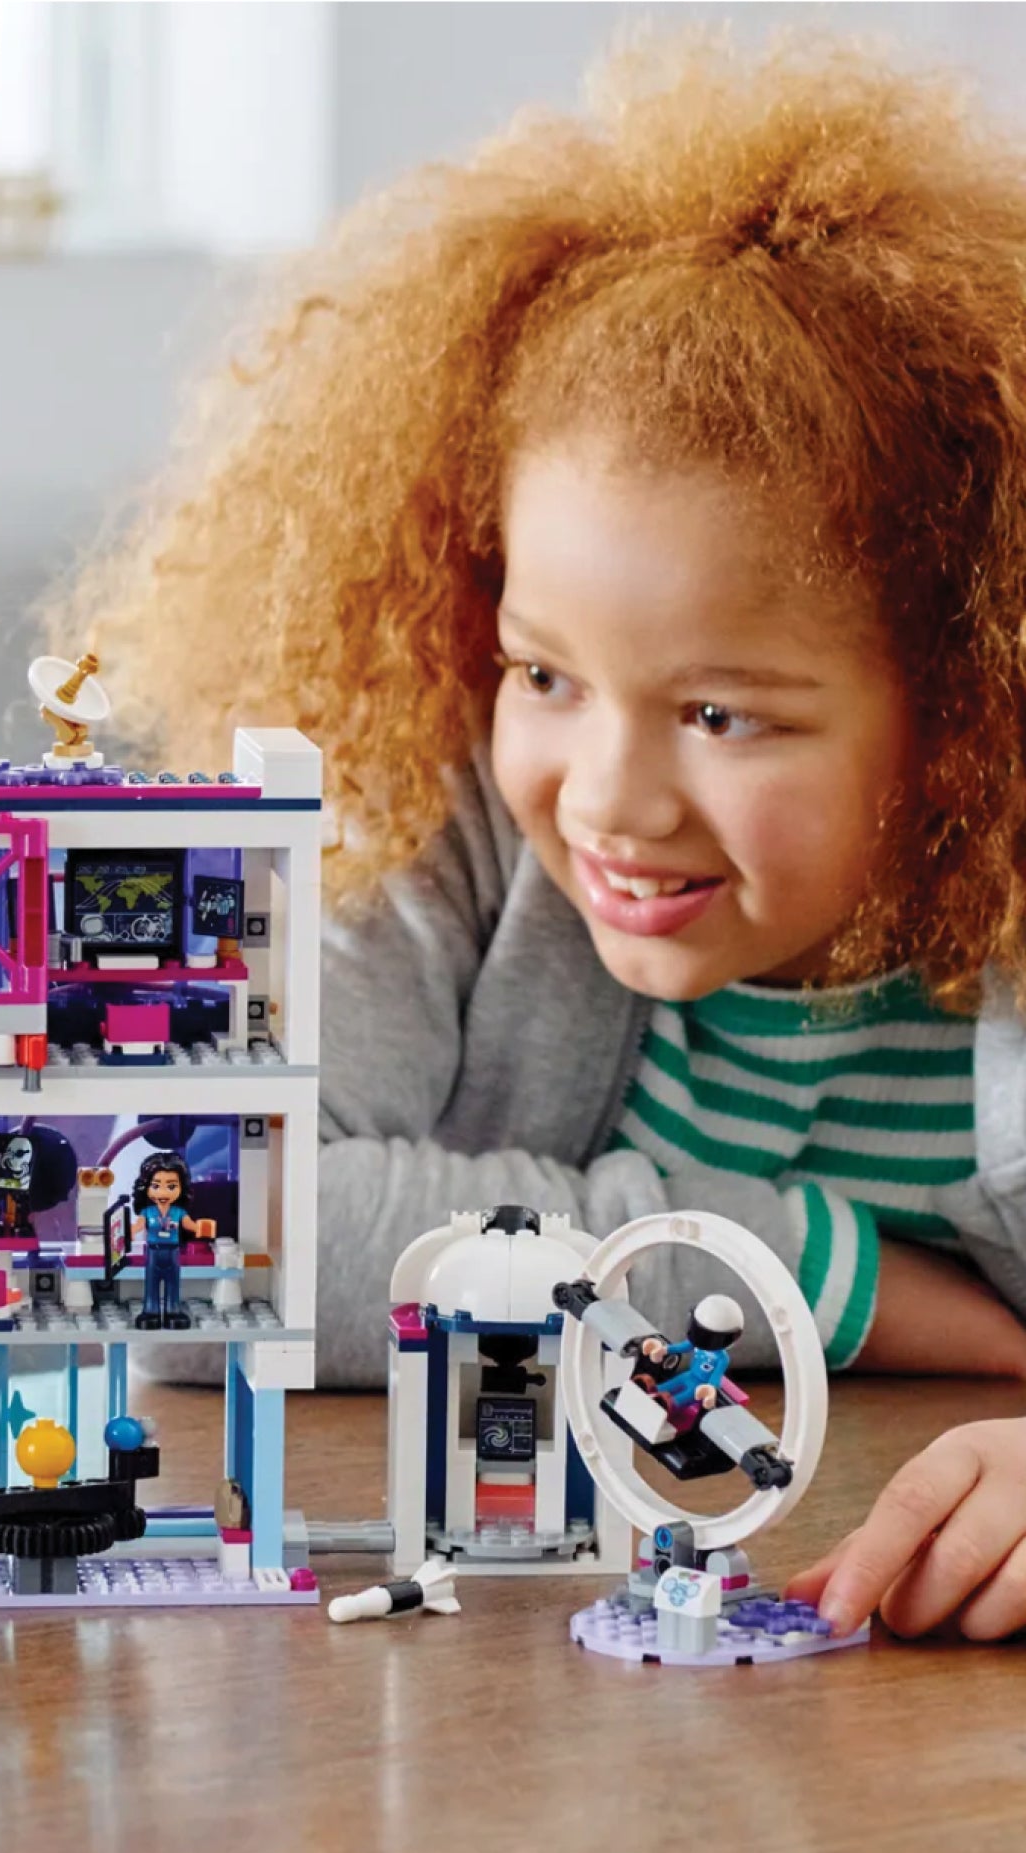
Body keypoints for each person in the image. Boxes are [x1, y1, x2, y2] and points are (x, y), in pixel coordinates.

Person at [58, 36, 1026, 1639]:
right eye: (545, 675)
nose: (606, 800)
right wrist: (817, 1272)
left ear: (972, 707)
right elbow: (194, 1245)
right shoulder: (428, 808)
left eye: (721, 713)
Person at [129, 1150, 214, 1330]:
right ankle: (150, 1311)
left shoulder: (178, 1212)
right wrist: (128, 1232)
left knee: (173, 1282)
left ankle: (173, 1310)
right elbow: (138, 1226)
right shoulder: (148, 1212)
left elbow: (189, 1224)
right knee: (151, 1283)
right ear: (146, 1187)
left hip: (173, 1251)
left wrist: (201, 1228)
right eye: (156, 1186)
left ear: (182, 1188)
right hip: (153, 1251)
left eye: (171, 1186)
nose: (163, 1192)